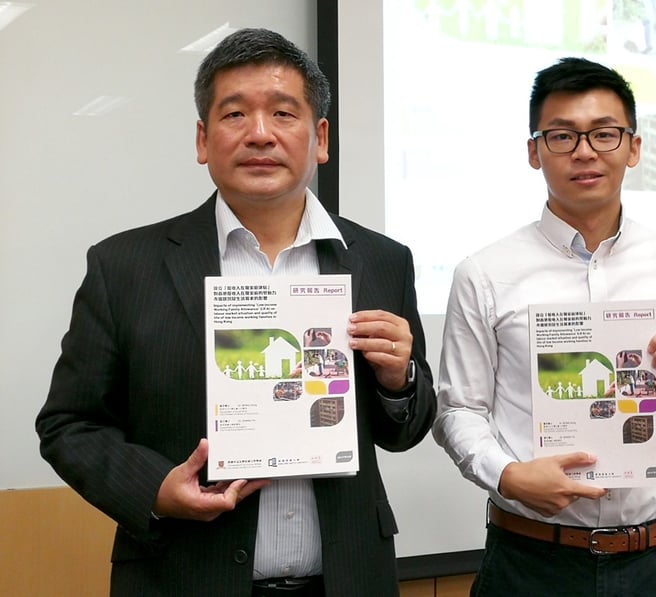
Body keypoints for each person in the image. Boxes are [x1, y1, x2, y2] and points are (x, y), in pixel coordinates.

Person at [36, 28, 435, 597]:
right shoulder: (124, 266)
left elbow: (406, 430)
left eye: (283, 113)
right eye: (234, 115)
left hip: (348, 578)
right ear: (203, 139)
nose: (260, 134)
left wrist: (400, 380)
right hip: (182, 575)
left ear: (320, 138)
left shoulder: (380, 261)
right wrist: (155, 489)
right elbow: (67, 426)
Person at [433, 57, 656, 596]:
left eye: (604, 134)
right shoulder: (485, 273)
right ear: (534, 151)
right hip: (530, 561)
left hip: (652, 562)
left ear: (634, 148)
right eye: (562, 136)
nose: (585, 151)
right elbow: (458, 410)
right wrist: (507, 476)